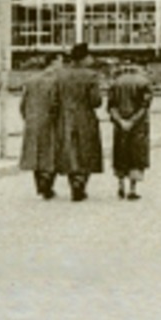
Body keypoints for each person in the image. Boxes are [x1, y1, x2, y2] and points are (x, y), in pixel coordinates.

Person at [56, 42, 105, 201]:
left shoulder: (61, 75)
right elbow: (95, 101)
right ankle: (81, 182)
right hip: (85, 117)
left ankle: (73, 182)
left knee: (70, 150)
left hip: (64, 117)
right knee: (86, 149)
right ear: (83, 58)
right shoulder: (91, 76)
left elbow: (54, 99)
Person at [18, 54, 64, 200]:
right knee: (51, 154)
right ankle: (47, 186)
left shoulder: (31, 80)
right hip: (50, 122)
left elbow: (23, 104)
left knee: (35, 155)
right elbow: (56, 104)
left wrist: (28, 118)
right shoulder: (57, 81)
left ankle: (40, 185)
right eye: (61, 62)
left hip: (32, 122)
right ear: (54, 62)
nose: (62, 65)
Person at [107, 60, 153, 200]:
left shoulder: (115, 83)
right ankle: (132, 189)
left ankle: (120, 185)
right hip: (138, 126)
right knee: (136, 156)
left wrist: (120, 121)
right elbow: (145, 106)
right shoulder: (144, 82)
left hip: (119, 125)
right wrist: (132, 121)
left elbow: (111, 106)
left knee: (120, 154)